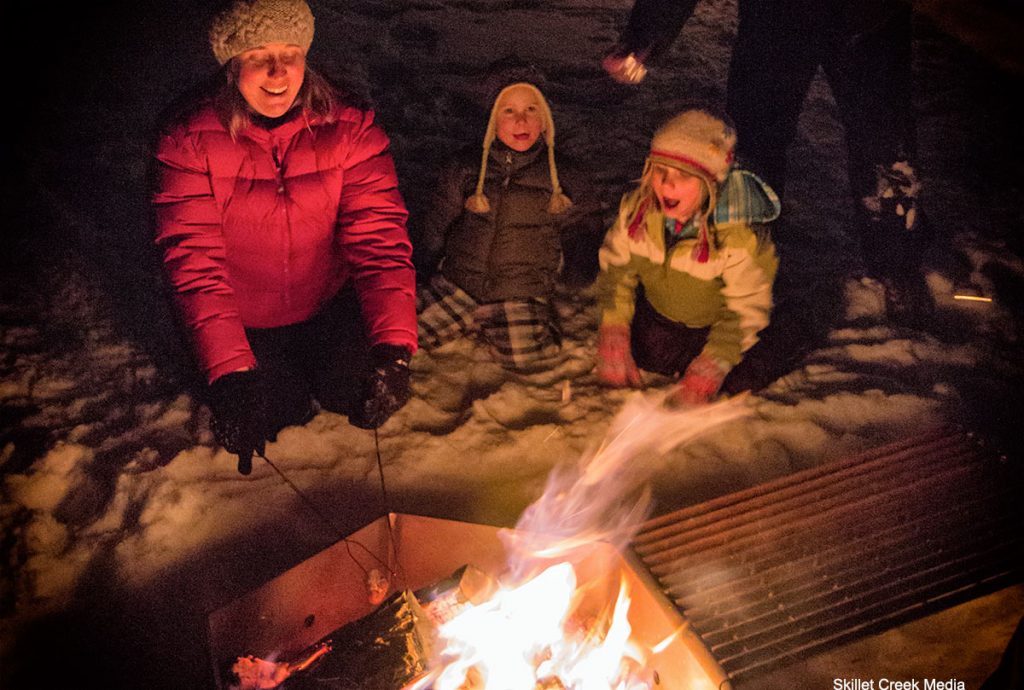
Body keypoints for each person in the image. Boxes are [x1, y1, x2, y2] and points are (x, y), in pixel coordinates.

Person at [602, 0, 937, 387]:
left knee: (883, 140)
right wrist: (645, 34)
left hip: (867, 17)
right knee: (755, 143)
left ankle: (897, 261)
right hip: (776, 15)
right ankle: (742, 259)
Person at [151, 0, 417, 473]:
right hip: (246, 316)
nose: (277, 71)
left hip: (323, 302)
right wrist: (230, 375)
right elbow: (195, 265)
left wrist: (394, 349)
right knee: (272, 416)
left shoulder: (349, 127)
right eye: (257, 55)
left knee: (360, 392)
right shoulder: (188, 139)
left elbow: (380, 240)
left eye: (290, 52)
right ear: (233, 64)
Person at [414, 72, 598, 372]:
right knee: (407, 332)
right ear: (492, 120)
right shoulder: (466, 167)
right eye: (509, 111)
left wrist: (580, 262)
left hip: (518, 290)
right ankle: (476, 321)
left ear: (545, 120)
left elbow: (583, 221)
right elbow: (439, 218)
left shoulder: (562, 176)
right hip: (460, 283)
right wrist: (425, 258)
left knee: (527, 359)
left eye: (531, 110)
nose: (521, 121)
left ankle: (525, 321)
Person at [595, 109, 779, 406]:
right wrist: (613, 329)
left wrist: (713, 363)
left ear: (710, 183)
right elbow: (617, 272)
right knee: (644, 351)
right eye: (661, 172)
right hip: (668, 317)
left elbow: (745, 308)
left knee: (743, 377)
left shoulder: (738, 236)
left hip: (717, 324)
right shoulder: (638, 214)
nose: (667, 185)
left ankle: (802, 316)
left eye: (683, 176)